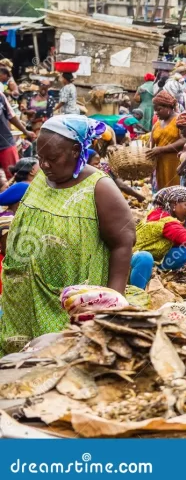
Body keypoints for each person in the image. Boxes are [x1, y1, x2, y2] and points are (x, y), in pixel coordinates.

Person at [0, 115, 135, 355]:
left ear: (75, 150)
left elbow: (123, 244)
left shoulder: (98, 187)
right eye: (40, 158)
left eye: (52, 158)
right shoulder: (43, 178)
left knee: (59, 362)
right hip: (21, 301)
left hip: (67, 306)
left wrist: (113, 305)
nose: (45, 165)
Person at [129, 186, 186, 289]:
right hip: (133, 261)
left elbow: (181, 237)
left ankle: (172, 278)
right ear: (175, 204)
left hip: (153, 259)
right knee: (145, 258)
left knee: (183, 253)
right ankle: (137, 291)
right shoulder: (167, 222)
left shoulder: (158, 212)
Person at [148, 90, 186, 191]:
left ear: (168, 107)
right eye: (155, 110)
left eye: (159, 110)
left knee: (175, 192)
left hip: (175, 163)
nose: (156, 113)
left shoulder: (179, 120)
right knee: (163, 192)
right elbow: (150, 143)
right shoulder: (156, 124)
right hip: (160, 164)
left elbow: (184, 140)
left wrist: (161, 149)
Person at [0, 92, 35, 179]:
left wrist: (25, 132)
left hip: (5, 143)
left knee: (13, 177)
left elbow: (11, 115)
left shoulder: (0, 96)